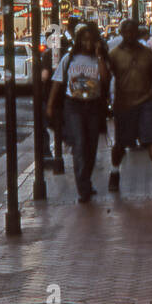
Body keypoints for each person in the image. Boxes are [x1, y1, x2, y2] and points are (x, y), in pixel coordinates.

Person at [107, 19, 152, 194]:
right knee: (121, 143)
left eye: (132, 31)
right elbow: (107, 78)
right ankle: (114, 172)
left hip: (146, 101)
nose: (129, 35)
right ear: (122, 33)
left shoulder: (147, 53)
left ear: (137, 33)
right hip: (124, 104)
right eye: (126, 32)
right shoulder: (114, 54)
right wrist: (107, 103)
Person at [50, 24, 110, 203]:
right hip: (73, 105)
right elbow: (57, 82)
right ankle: (83, 187)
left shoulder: (99, 59)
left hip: (93, 106)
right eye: (84, 39)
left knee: (91, 147)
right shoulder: (69, 58)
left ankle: (86, 181)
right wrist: (50, 105)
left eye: (91, 39)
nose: (87, 43)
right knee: (79, 144)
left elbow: (106, 78)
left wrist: (99, 56)